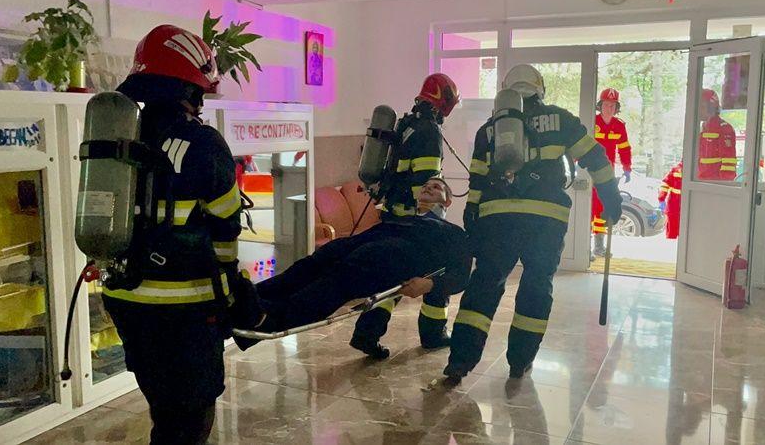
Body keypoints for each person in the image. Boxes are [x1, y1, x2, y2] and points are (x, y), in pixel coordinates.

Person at [101, 25, 242, 444]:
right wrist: (229, 282)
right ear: (191, 88)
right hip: (184, 307)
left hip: (125, 300)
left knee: (163, 405)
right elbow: (226, 221)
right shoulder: (202, 142)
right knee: (192, 415)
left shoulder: (118, 138)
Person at [443, 64, 623, 384]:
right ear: (540, 89)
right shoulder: (561, 120)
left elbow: (477, 180)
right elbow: (596, 158)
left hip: (498, 220)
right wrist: (611, 199)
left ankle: (460, 361)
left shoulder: (489, 129)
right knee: (536, 287)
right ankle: (520, 361)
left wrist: (472, 215)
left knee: (484, 285)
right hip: (546, 220)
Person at [253, 178, 472, 337]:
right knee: (309, 266)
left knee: (330, 284)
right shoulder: (400, 220)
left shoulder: (453, 233)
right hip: (357, 247)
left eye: (437, 187)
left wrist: (429, 284)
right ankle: (253, 295)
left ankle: (268, 318)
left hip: (381, 262)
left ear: (447, 202)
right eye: (426, 185)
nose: (428, 187)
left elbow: (462, 276)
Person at [350, 73, 461, 359]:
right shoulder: (429, 131)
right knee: (439, 269)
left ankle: (367, 333)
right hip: (416, 221)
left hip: (393, 214)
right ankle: (434, 333)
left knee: (393, 275)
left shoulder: (406, 123)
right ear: (444, 101)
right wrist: (432, 220)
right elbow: (424, 183)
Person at [592, 87, 632, 257]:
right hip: (589, 170)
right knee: (588, 207)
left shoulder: (619, 126)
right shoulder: (592, 121)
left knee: (603, 207)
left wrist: (627, 168)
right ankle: (583, 248)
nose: (609, 108)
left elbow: (624, 149)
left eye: (613, 105)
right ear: (600, 105)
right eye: (606, 104)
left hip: (608, 174)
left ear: (617, 108)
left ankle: (599, 247)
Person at [698, 88, 737, 181]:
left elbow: (729, 162)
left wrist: (723, 185)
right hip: (698, 182)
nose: (698, 110)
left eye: (702, 106)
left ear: (711, 107)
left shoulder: (724, 128)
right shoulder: (700, 128)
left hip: (714, 184)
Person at [659, 161, 683, 239]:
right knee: (672, 228)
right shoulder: (675, 170)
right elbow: (665, 184)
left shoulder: (677, 169)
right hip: (674, 203)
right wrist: (661, 199)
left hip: (677, 203)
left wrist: (661, 199)